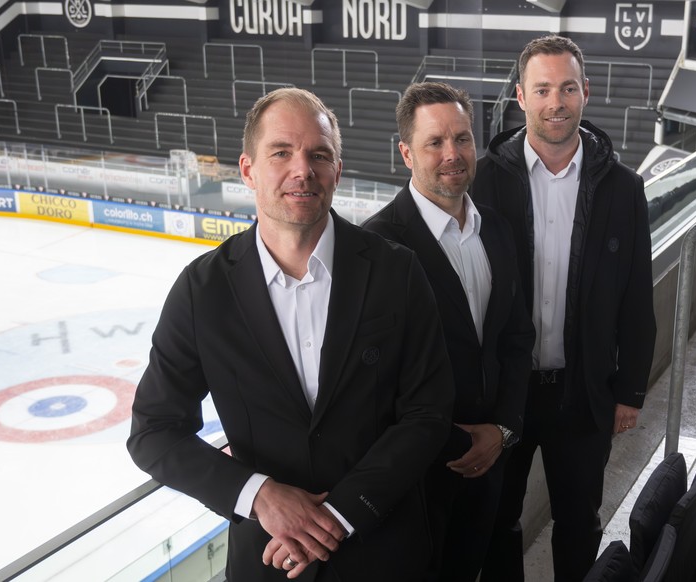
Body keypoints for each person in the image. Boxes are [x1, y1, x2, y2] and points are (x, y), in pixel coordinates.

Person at [126, 87, 455, 582]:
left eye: (319, 155)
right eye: (281, 152)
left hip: (384, 551)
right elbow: (153, 431)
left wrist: (340, 514)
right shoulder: (202, 289)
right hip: (267, 561)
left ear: (337, 171)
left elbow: (428, 412)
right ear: (248, 169)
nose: (302, 169)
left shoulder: (396, 271)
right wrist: (258, 495)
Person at [471, 35, 657, 581]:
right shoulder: (484, 181)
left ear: (585, 93)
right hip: (505, 394)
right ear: (522, 98)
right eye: (543, 89)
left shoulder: (623, 188)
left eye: (568, 88)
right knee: (498, 520)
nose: (557, 102)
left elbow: (636, 297)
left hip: (583, 394)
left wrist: (631, 391)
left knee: (580, 521)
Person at [363, 82, 534, 582]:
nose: (452, 154)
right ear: (406, 153)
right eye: (435, 142)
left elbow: (516, 340)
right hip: (419, 477)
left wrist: (501, 430)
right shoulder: (377, 246)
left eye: (462, 139)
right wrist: (457, 444)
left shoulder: (496, 230)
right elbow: (378, 383)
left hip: (490, 460)